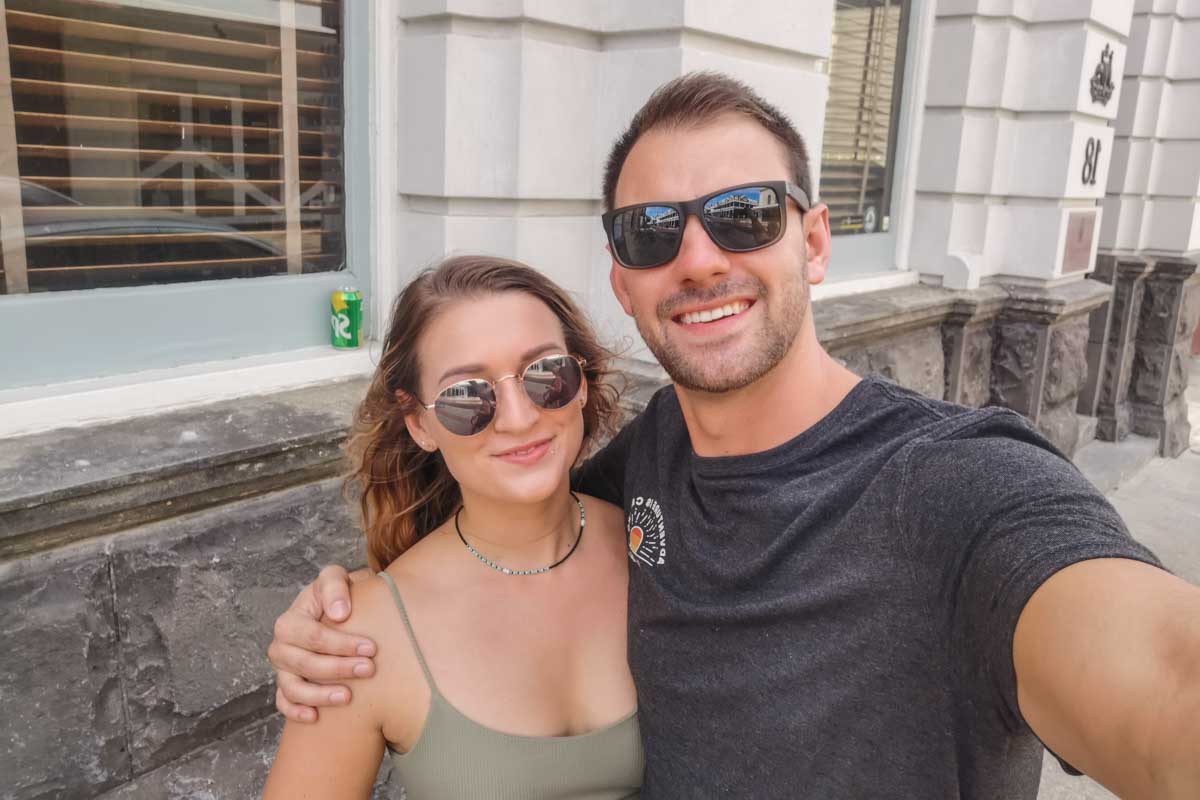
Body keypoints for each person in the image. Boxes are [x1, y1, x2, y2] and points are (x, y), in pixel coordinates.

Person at [268, 73, 1200, 798]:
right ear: (623, 280)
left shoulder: (960, 489)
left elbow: (1161, 673)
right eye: (652, 232)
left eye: (744, 213)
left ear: (816, 241)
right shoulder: (641, 474)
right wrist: (339, 613)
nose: (700, 257)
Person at [263, 256, 643, 799]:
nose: (518, 417)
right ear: (419, 422)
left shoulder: (652, 544)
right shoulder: (358, 636)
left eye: (546, 374)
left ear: (581, 382)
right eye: (468, 395)